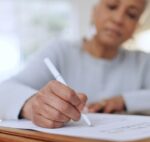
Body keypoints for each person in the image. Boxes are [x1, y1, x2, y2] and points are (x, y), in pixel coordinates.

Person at [0, 0, 150, 128]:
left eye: (131, 15)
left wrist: (124, 101)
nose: (118, 19)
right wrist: (32, 104)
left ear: (136, 26)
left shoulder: (143, 62)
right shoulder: (60, 51)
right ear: (94, 12)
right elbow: (4, 90)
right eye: (112, 6)